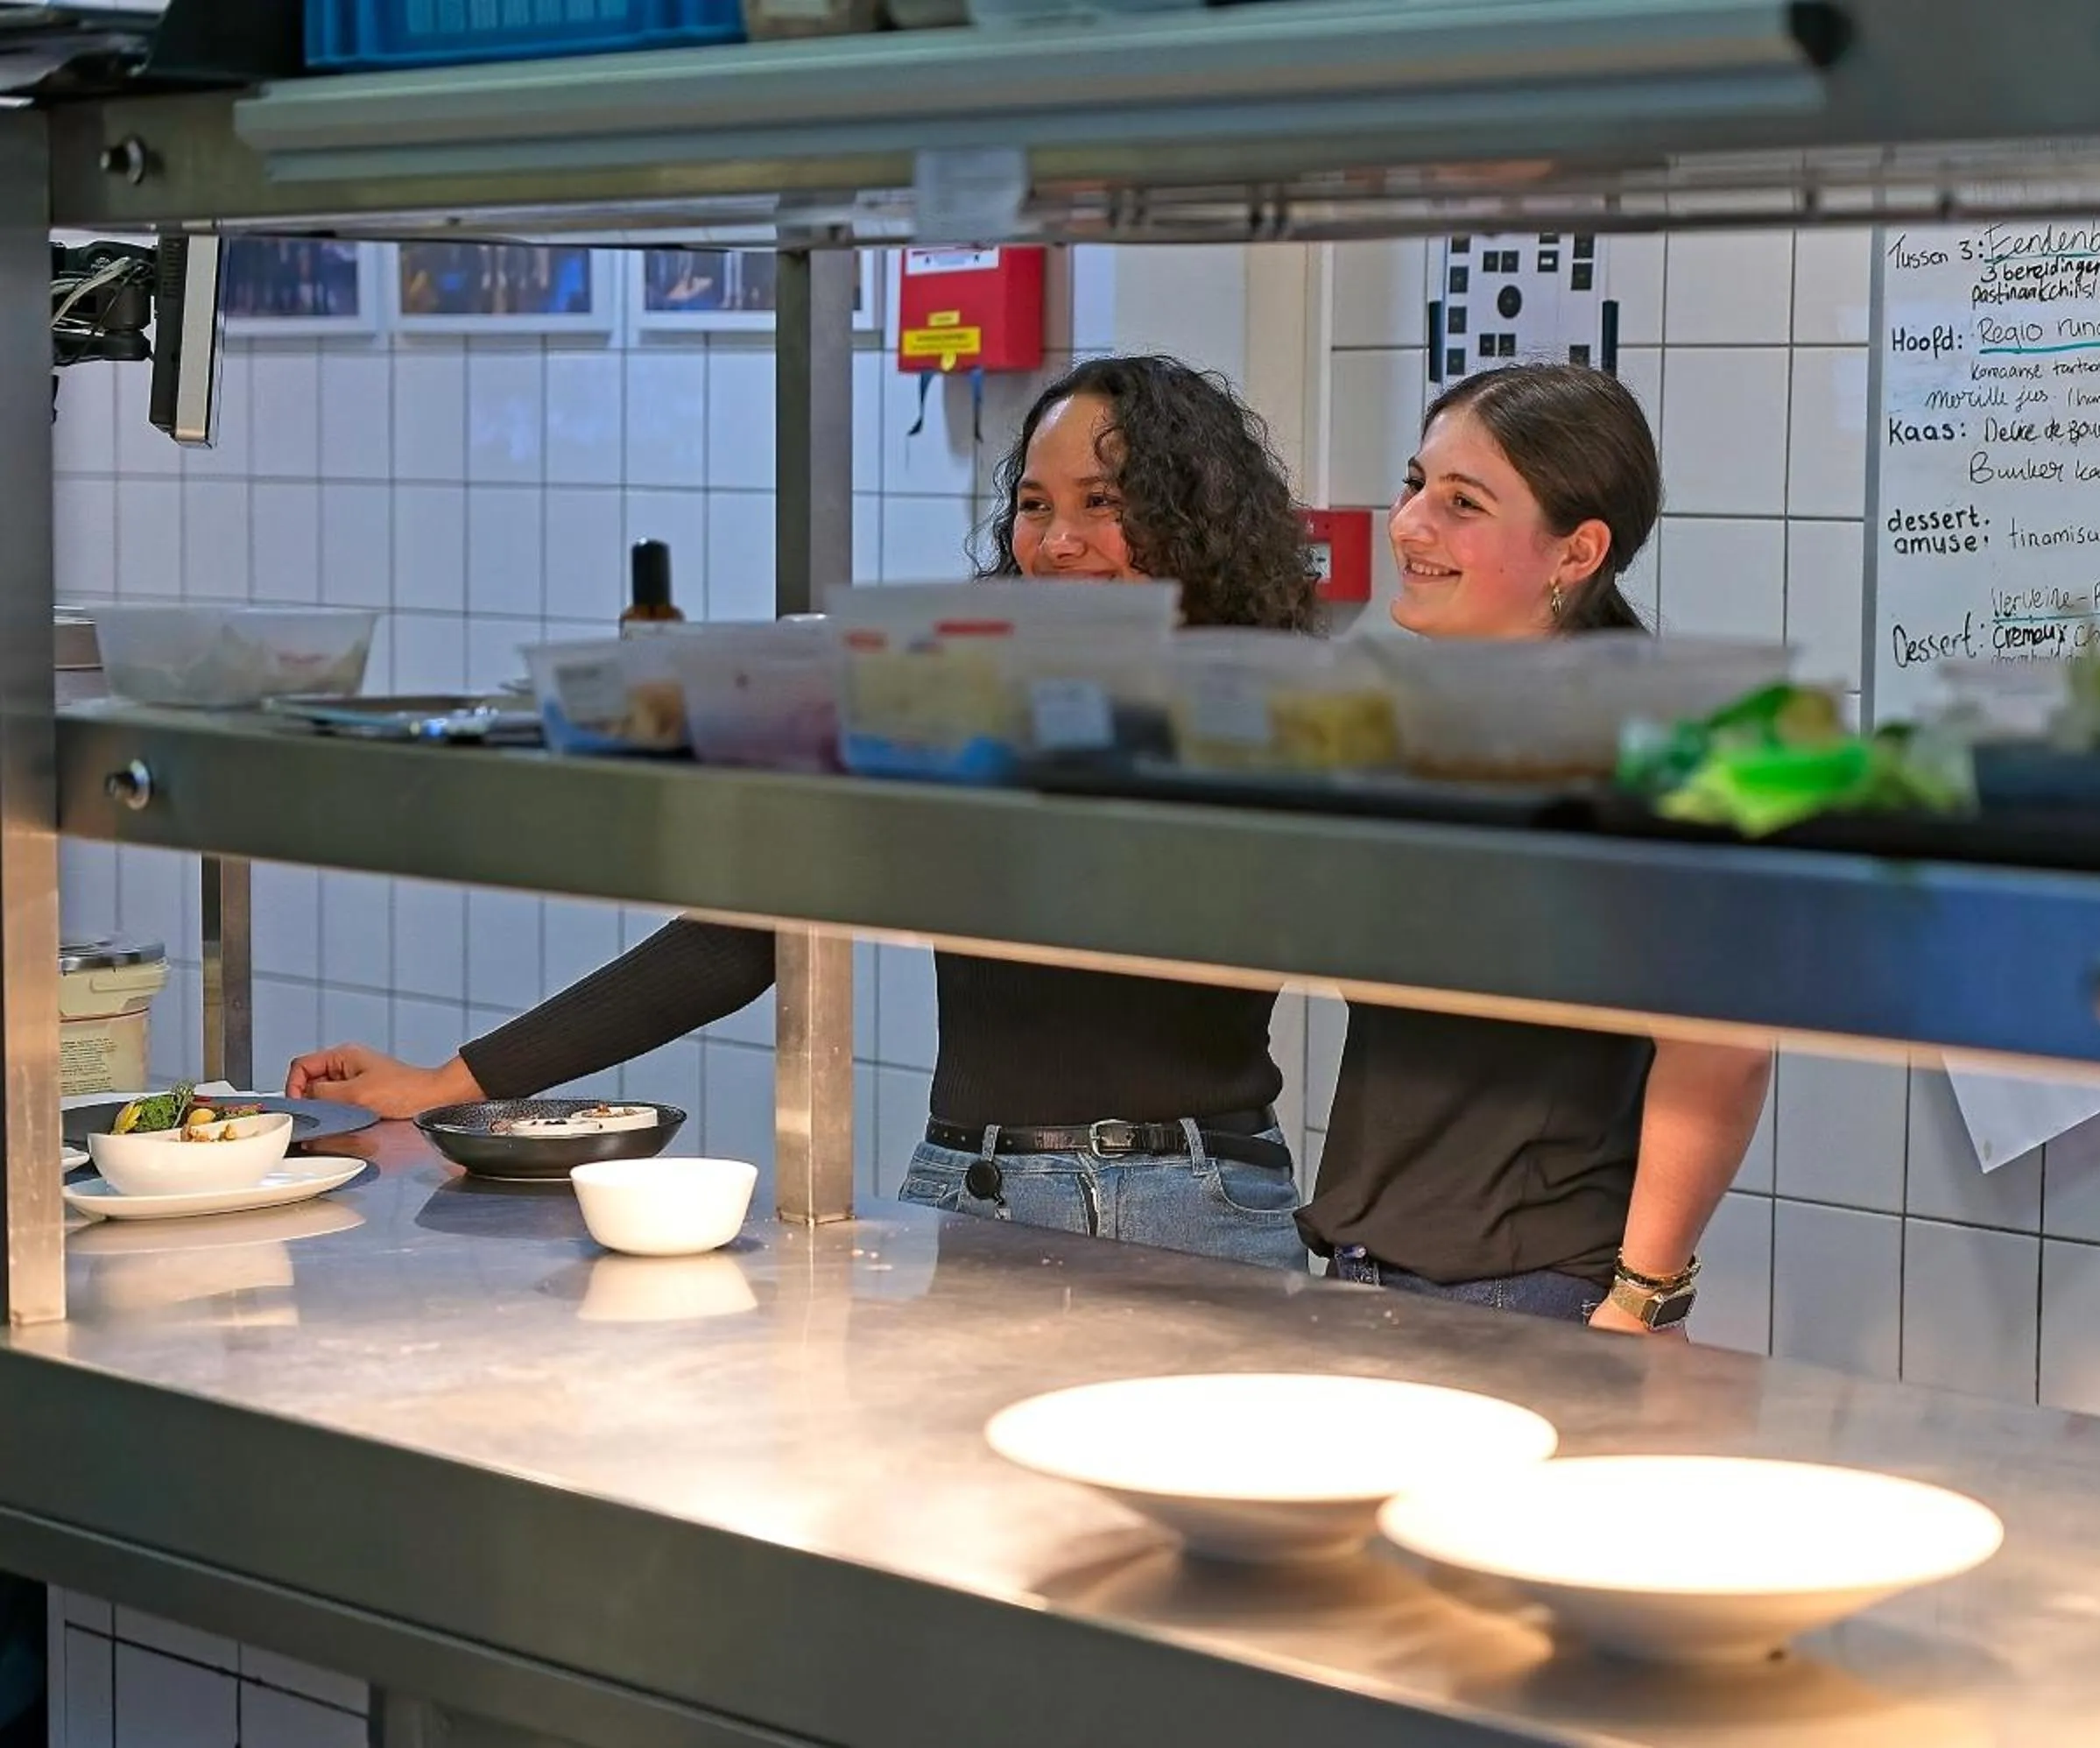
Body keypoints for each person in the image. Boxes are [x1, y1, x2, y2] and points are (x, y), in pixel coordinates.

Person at [288, 356, 1321, 1272]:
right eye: (1035, 504)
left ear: (1195, 520)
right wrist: (451, 1083)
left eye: (1103, 502)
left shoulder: (1270, 718)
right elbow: (745, 932)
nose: (1058, 541)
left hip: (1193, 1199)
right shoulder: (963, 716)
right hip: (972, 1188)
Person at [1300, 362, 1775, 1336]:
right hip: (1368, 1261)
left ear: (1578, 550)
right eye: (1415, 483)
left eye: (1462, 503)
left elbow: (1723, 1050)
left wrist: (1642, 1298)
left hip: (1533, 1288)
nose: (1410, 524)